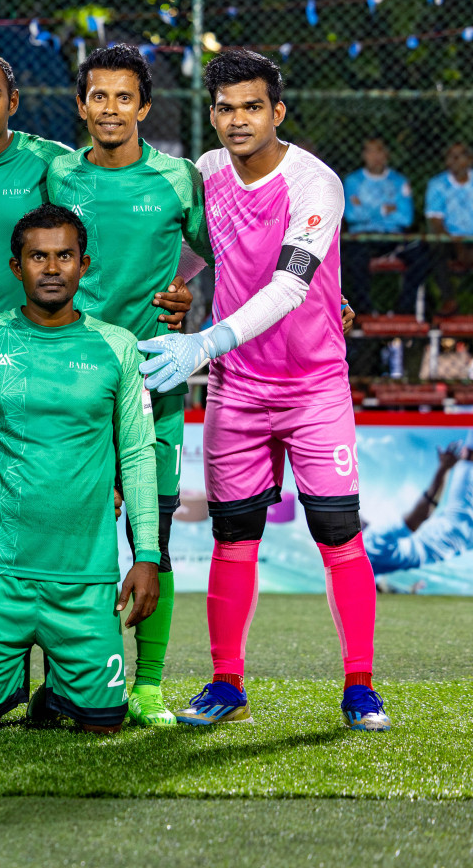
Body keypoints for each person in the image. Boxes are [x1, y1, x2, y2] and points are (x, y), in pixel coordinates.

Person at [139, 48, 390, 731]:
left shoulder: (316, 184)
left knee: (338, 532)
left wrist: (205, 338)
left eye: (253, 107)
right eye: (225, 108)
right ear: (212, 114)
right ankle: (227, 684)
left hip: (314, 388)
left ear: (277, 112)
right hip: (238, 391)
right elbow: (195, 245)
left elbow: (290, 284)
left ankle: (360, 687)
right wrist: (181, 282)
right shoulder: (207, 174)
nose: (238, 120)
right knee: (233, 535)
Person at [43, 43, 209, 727]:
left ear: (143, 106)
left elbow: (220, 254)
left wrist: (187, 300)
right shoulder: (57, 175)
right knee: (65, 539)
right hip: (71, 385)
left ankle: (147, 685)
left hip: (152, 386)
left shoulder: (177, 178)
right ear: (81, 106)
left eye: (124, 98)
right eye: (97, 97)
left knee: (155, 537)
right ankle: (63, 681)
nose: (110, 110)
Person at [0, 204, 159, 734]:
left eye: (64, 256)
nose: (52, 268)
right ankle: (30, 690)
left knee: (102, 725)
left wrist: (147, 556)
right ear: (15, 266)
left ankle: (57, 693)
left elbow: (138, 453)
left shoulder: (118, 346)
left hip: (84, 578)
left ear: (84, 264)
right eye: (38, 257)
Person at [341, 136, 425, 314]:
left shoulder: (399, 181)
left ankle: (403, 309)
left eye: (379, 150)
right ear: (364, 155)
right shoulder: (352, 181)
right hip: (362, 238)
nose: (375, 156)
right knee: (352, 258)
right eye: (370, 151)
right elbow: (351, 215)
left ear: (387, 154)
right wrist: (386, 209)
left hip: (393, 238)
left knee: (423, 254)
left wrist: (365, 207)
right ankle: (364, 310)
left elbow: (406, 218)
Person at [365, 446, 473, 574]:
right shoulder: (371, 540)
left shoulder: (364, 563)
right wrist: (444, 468)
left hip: (454, 545)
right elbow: (420, 515)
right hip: (452, 529)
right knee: (468, 456)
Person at [423, 141, 473, 315]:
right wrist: (459, 247)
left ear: (469, 160)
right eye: (450, 156)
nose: (454, 160)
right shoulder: (437, 184)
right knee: (436, 250)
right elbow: (435, 222)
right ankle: (448, 299)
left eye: (459, 156)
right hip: (450, 240)